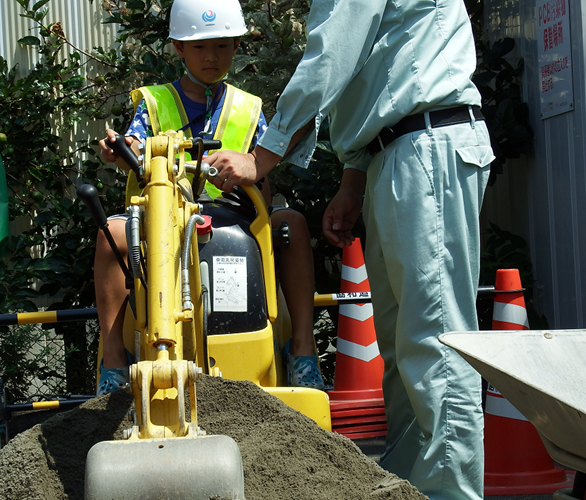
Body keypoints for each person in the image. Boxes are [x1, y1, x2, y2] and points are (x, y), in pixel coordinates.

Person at [204, 0, 494, 499]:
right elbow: (375, 66)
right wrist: (354, 178)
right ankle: (412, 488)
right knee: (406, 348)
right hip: (401, 148)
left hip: (425, 140)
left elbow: (332, 57)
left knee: (436, 342)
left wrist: (261, 158)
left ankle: (449, 493)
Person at [95, 0, 324, 396]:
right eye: (200, 47)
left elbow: (263, 176)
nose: (211, 56)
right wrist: (120, 149)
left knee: (292, 225)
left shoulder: (249, 109)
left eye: (221, 46)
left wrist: (254, 171)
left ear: (236, 46)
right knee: (111, 234)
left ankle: (302, 350)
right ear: (179, 48)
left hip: (237, 218)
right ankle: (114, 362)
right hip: (160, 219)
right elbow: (132, 144)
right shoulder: (152, 103)